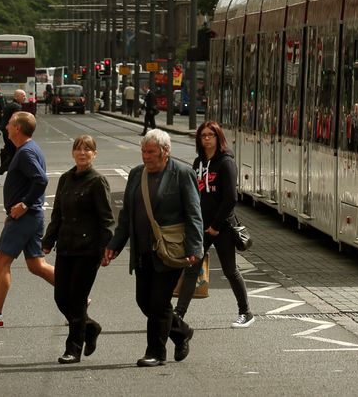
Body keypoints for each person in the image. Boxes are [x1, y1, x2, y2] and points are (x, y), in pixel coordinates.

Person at [103, 128, 204, 366]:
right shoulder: (137, 174)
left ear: (165, 151)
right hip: (142, 250)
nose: (145, 157)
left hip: (170, 250)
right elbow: (127, 215)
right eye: (143, 151)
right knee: (144, 301)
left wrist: (195, 248)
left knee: (159, 303)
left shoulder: (182, 173)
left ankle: (155, 353)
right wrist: (115, 245)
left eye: (151, 152)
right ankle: (181, 332)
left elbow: (194, 214)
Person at [0, 111, 56, 328]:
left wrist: (23, 204)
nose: (6, 127)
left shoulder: (27, 152)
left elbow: (41, 180)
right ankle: (79, 298)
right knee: (37, 265)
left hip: (25, 216)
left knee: (1, 260)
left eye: (9, 124)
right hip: (30, 216)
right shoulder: (28, 148)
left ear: (17, 128)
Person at [174, 121, 254, 329]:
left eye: (211, 135)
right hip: (201, 226)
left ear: (218, 138)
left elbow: (231, 198)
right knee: (192, 268)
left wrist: (216, 225)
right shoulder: (197, 163)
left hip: (222, 227)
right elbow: (192, 194)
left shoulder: (226, 163)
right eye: (203, 135)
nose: (207, 139)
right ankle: (178, 314)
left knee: (230, 270)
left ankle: (245, 312)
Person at [42, 135, 114, 363]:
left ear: (94, 154)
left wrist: (106, 248)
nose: (83, 153)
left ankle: (73, 348)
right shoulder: (65, 179)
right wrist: (48, 239)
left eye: (88, 150)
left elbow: (107, 219)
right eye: (79, 149)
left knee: (77, 299)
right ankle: (90, 328)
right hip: (66, 246)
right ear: (73, 153)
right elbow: (57, 215)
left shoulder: (97, 181)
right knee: (61, 297)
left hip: (88, 249)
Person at [0, 89, 28, 185]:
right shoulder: (17, 107)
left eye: (24, 95)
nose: (25, 97)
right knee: (13, 154)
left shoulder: (10, 105)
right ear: (16, 97)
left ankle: (7, 172)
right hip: (10, 132)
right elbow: (16, 121)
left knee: (10, 152)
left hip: (5, 131)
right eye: (23, 95)